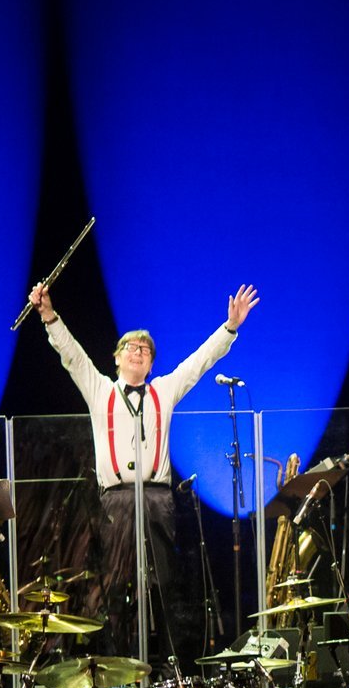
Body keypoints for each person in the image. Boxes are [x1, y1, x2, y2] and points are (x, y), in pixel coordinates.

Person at [28, 280, 259, 657]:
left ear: (151, 363)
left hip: (156, 499)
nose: (139, 352)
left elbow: (199, 362)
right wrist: (49, 315)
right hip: (116, 501)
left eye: (146, 350)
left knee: (163, 585)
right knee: (116, 586)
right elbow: (71, 354)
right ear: (117, 358)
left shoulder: (163, 391)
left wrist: (229, 328)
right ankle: (119, 667)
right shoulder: (99, 389)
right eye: (131, 348)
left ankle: (167, 667)